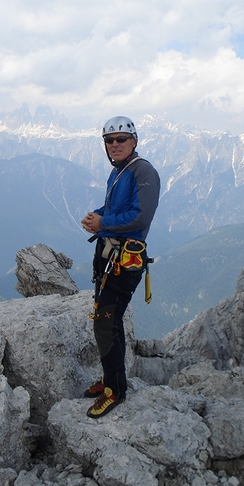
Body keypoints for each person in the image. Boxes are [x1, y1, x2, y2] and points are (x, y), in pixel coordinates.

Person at [81, 115, 160, 418]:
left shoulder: (143, 171)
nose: (114, 145)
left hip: (125, 261)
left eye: (120, 140)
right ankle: (109, 379)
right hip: (111, 257)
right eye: (109, 140)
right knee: (106, 320)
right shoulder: (119, 172)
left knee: (107, 320)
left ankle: (115, 391)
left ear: (134, 141)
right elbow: (117, 210)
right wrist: (97, 216)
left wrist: (103, 223)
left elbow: (140, 217)